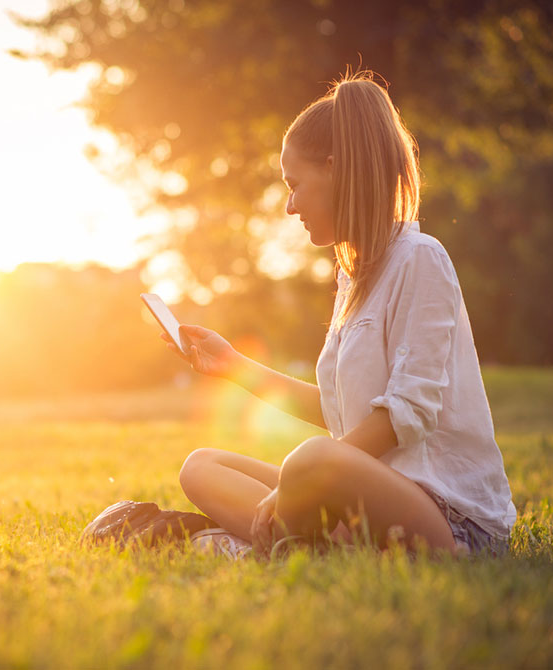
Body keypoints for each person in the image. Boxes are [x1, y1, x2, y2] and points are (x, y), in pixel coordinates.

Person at [161, 71, 516, 557]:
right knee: (201, 466)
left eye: (295, 184)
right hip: (363, 500)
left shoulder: (421, 258)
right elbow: (338, 409)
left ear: (334, 170)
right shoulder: (354, 276)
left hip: (448, 519)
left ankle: (254, 543)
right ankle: (302, 545)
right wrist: (233, 367)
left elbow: (406, 415)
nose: (289, 206)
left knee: (309, 461)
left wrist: (298, 484)